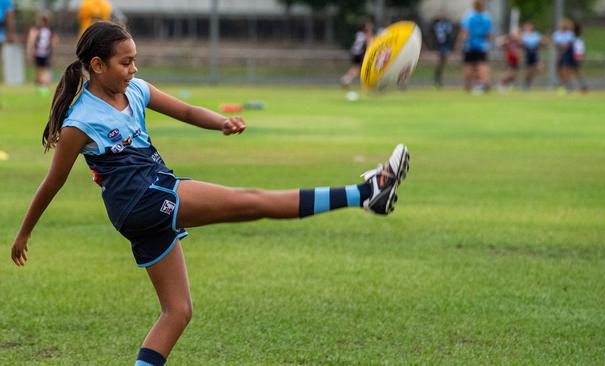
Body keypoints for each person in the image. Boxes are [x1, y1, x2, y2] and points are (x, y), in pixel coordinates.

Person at [10, 22, 410, 366]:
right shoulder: (79, 121)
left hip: (144, 203)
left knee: (177, 311)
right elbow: (53, 182)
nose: (134, 69)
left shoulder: (135, 91)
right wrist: (25, 231)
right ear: (97, 66)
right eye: (125, 62)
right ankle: (367, 191)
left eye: (135, 60)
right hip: (145, 197)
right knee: (250, 201)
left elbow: (185, 111)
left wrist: (221, 122)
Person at [459, 0, 493, 94]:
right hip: (482, 45)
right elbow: (488, 33)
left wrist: (461, 42)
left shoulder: (469, 16)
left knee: (469, 65)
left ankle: (467, 86)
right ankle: (486, 83)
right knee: (482, 65)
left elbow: (465, 31)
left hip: (469, 45)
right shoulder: (487, 17)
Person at [26, 11, 58, 95]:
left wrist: (29, 50)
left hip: (41, 52)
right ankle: (42, 86)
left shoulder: (37, 29)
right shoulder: (49, 30)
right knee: (42, 69)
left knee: (42, 69)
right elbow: (54, 41)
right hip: (43, 52)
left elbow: (31, 39)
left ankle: (42, 86)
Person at [340, 21, 374, 88]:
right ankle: (367, 84)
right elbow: (369, 44)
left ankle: (346, 79)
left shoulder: (359, 34)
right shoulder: (366, 35)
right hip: (360, 54)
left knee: (356, 69)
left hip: (354, 53)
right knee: (365, 69)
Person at [430, 15, 454, 88]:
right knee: (441, 62)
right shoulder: (441, 26)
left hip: (443, 45)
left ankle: (437, 78)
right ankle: (437, 77)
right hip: (442, 46)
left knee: (442, 62)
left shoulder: (442, 26)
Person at [552, 18, 576, 94]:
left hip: (567, 54)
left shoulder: (570, 34)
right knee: (559, 71)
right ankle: (563, 84)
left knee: (566, 70)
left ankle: (568, 86)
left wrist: (563, 49)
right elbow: (556, 43)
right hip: (559, 53)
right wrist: (560, 51)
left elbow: (568, 44)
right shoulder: (556, 33)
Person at [521, 21, 545, 90]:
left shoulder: (536, 34)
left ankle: (542, 83)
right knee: (529, 71)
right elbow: (524, 43)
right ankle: (527, 84)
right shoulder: (525, 35)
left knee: (539, 68)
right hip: (528, 54)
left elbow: (539, 42)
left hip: (534, 53)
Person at [496, 27, 521, 91]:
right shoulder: (508, 41)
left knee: (513, 74)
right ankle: (501, 82)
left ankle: (506, 84)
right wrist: (506, 37)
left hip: (515, 60)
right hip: (510, 60)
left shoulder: (518, 42)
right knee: (509, 73)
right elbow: (498, 42)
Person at [571, 22, 588, 93]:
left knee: (578, 72)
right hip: (576, 55)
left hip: (576, 56)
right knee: (577, 72)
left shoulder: (577, 37)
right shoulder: (578, 37)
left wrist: (581, 55)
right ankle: (583, 86)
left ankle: (584, 86)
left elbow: (580, 48)